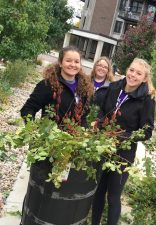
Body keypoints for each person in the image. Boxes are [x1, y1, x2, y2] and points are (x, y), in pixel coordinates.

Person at [20, 46, 95, 225]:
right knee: (42, 188)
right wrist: (38, 134)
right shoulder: (48, 85)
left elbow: (84, 116)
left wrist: (83, 136)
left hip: (71, 148)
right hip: (49, 148)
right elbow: (27, 109)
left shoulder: (84, 88)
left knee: (61, 187)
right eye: (68, 60)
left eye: (76, 61)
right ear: (60, 62)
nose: (73, 64)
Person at [91, 58, 156, 225]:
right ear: (127, 69)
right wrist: (98, 122)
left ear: (144, 78)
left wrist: (121, 136)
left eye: (138, 73)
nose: (133, 75)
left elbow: (147, 132)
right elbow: (103, 112)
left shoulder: (146, 100)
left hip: (123, 155)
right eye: (131, 70)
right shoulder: (114, 88)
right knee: (98, 192)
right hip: (103, 148)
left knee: (113, 197)